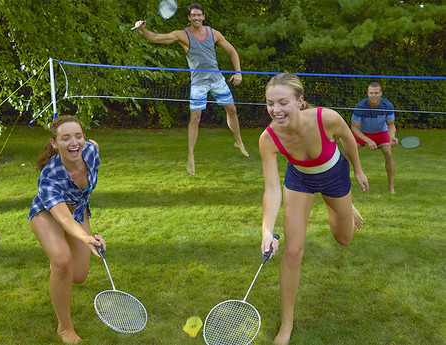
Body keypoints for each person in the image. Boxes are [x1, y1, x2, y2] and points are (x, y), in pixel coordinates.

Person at [259, 74, 369, 345]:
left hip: (335, 175)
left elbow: (348, 139)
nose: (276, 109)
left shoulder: (326, 118)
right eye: (270, 103)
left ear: (299, 102)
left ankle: (342, 205)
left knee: (344, 239)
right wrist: (266, 230)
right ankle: (286, 325)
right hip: (300, 180)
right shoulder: (268, 138)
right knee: (293, 251)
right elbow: (272, 189)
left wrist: (358, 170)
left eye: (283, 102)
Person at [134, 2, 249, 175]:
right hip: (199, 83)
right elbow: (157, 38)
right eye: (193, 15)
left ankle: (238, 141)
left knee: (231, 109)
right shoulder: (183, 35)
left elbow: (232, 51)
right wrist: (142, 30)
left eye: (199, 15)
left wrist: (238, 73)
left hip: (216, 79)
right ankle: (191, 157)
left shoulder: (213, 33)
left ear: (203, 17)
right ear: (189, 18)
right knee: (195, 117)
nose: (196, 18)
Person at [28, 115, 106, 344]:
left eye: (78, 136)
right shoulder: (49, 176)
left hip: (78, 208)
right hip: (48, 214)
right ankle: (65, 327)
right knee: (62, 261)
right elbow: (62, 218)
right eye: (65, 138)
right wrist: (87, 238)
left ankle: (58, 276)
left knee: (79, 276)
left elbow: (94, 144)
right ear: (54, 143)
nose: (74, 143)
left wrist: (85, 238)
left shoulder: (90, 151)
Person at [351, 81, 398, 194]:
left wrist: (392, 137)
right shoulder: (360, 106)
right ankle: (341, 184)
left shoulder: (388, 105)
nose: (374, 95)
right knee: (348, 153)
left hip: (381, 132)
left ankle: (391, 187)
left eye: (376, 93)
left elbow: (391, 125)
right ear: (367, 93)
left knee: (388, 153)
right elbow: (354, 128)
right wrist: (368, 141)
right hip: (363, 133)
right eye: (371, 93)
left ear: (381, 93)